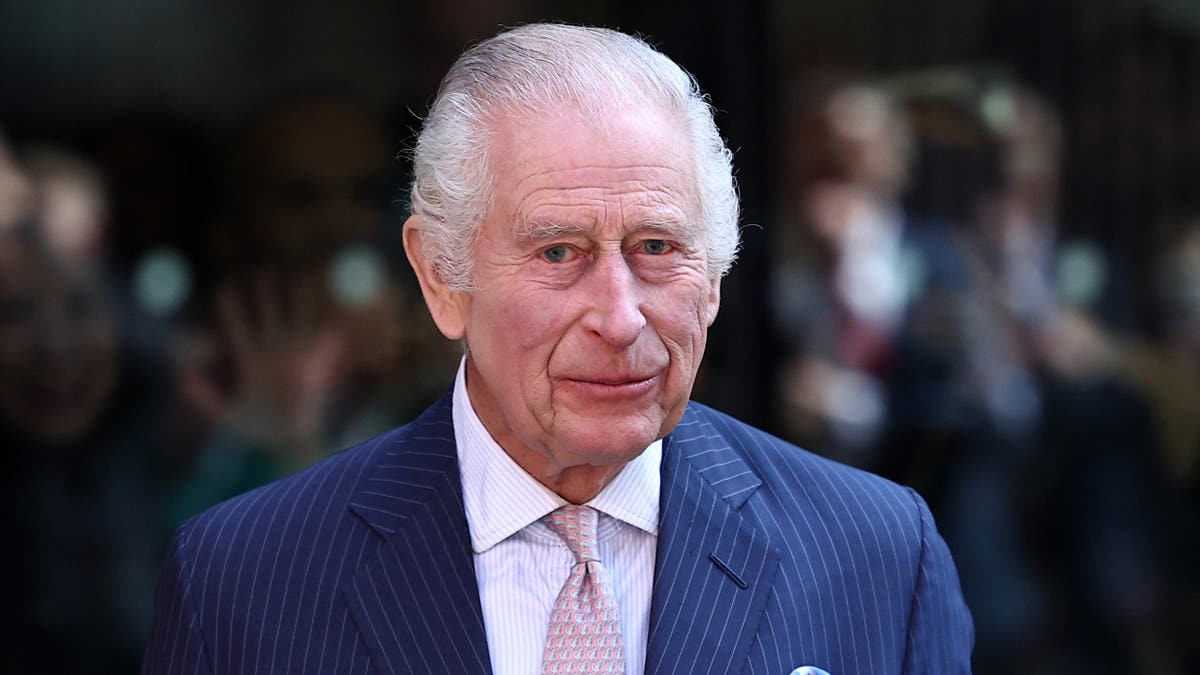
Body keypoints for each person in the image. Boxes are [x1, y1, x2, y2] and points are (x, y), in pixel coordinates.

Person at [143, 24, 973, 674]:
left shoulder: (875, 555)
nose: (619, 317)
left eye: (656, 248)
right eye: (557, 253)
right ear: (440, 277)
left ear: (716, 278)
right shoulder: (243, 579)